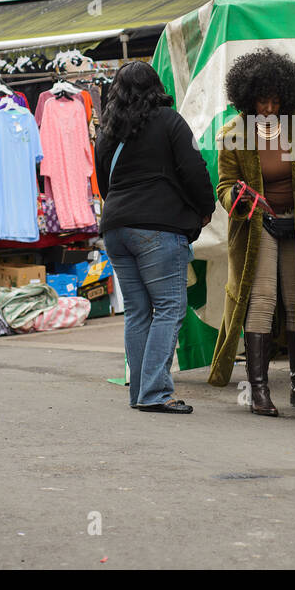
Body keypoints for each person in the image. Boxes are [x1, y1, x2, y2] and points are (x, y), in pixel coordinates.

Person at [209, 48, 295, 416]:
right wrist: (237, 194)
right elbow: (223, 187)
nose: (267, 108)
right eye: (260, 101)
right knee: (262, 298)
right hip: (257, 225)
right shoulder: (234, 133)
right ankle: (259, 389)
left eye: (274, 100)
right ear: (247, 100)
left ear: (286, 96)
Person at [96, 61, 215, 415]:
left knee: (137, 312)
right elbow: (194, 168)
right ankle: (156, 392)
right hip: (158, 228)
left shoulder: (108, 130)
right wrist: (204, 208)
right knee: (168, 308)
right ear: (155, 86)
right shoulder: (169, 121)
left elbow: (104, 182)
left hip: (116, 227)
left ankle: (140, 391)